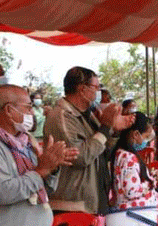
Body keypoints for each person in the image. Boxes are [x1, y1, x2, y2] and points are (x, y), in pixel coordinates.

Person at [0, 85, 77, 226]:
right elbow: (3, 192)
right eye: (28, 107)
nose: (32, 112)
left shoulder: (25, 143)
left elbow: (43, 188)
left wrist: (52, 168)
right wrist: (41, 170)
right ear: (9, 110)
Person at [44, 67, 134, 214]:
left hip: (93, 201)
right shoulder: (62, 117)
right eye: (96, 87)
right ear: (82, 89)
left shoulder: (89, 115)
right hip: (72, 206)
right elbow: (80, 157)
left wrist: (113, 131)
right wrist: (105, 126)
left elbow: (101, 152)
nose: (98, 92)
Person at [111, 112, 158, 210]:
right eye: (146, 137)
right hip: (135, 212)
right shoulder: (129, 157)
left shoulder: (120, 152)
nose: (145, 142)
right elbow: (131, 191)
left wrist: (152, 174)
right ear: (136, 134)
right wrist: (155, 179)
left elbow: (131, 178)